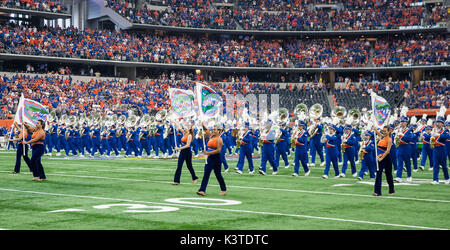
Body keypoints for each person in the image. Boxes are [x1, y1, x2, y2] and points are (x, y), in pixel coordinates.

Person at [197, 123, 227, 196]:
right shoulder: (211, 137)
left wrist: (207, 153)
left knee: (218, 174)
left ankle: (223, 189)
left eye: (215, 130)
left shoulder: (219, 139)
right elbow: (206, 131)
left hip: (216, 158)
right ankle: (202, 190)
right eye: (212, 129)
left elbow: (218, 150)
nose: (213, 131)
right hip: (210, 158)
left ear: (218, 131)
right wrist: (203, 125)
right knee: (206, 173)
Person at [373, 126, 395, 196]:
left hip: (386, 158)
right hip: (379, 158)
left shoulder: (389, 139)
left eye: (385, 131)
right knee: (378, 174)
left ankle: (391, 190)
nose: (384, 132)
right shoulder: (382, 137)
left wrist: (381, 158)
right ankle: (377, 192)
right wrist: (375, 129)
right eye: (383, 131)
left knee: (388, 174)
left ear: (389, 132)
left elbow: (388, 151)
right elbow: (379, 134)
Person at [430, 117, 449, 185]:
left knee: (443, 165)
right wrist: (432, 136)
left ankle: (447, 178)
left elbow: (446, 137)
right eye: (437, 122)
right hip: (435, 148)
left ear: (443, 123)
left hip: (442, 148)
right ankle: (435, 179)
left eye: (439, 122)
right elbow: (432, 140)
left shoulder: (445, 130)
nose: (438, 123)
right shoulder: (434, 130)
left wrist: (438, 134)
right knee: (435, 164)